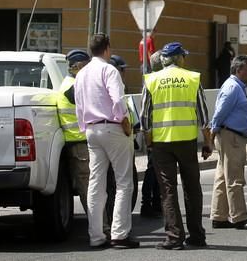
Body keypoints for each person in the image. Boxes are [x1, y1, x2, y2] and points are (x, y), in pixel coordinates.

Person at [141, 41, 213, 250]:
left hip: (162, 142)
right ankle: (197, 236)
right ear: (179, 58)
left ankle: (174, 237)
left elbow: (145, 117)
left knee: (167, 189)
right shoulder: (192, 78)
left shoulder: (151, 80)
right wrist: (207, 142)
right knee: (192, 187)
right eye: (184, 56)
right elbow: (204, 116)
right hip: (187, 141)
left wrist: (149, 144)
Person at [73, 33, 138, 249]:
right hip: (112, 126)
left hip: (91, 129)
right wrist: (124, 120)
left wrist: (84, 127)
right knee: (123, 182)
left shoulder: (81, 74)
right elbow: (118, 98)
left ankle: (96, 235)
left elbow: (79, 105)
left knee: (96, 183)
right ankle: (120, 234)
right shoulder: (109, 70)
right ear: (108, 48)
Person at [210, 54, 247, 230]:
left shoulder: (235, 86)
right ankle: (239, 217)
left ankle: (219, 216)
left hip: (230, 136)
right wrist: (213, 130)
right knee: (234, 178)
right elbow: (220, 112)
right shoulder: (233, 87)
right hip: (231, 137)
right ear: (238, 70)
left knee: (223, 178)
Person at [57, 49, 92, 212]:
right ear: (77, 67)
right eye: (87, 67)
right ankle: (100, 228)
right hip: (79, 144)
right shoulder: (73, 87)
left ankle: (100, 226)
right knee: (89, 189)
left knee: (90, 187)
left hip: (79, 143)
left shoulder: (71, 84)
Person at [140, 50, 163, 218]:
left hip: (156, 132)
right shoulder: (154, 81)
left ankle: (155, 203)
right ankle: (147, 204)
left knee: (155, 169)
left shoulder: (152, 81)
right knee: (152, 169)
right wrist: (148, 138)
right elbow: (145, 113)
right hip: (156, 133)